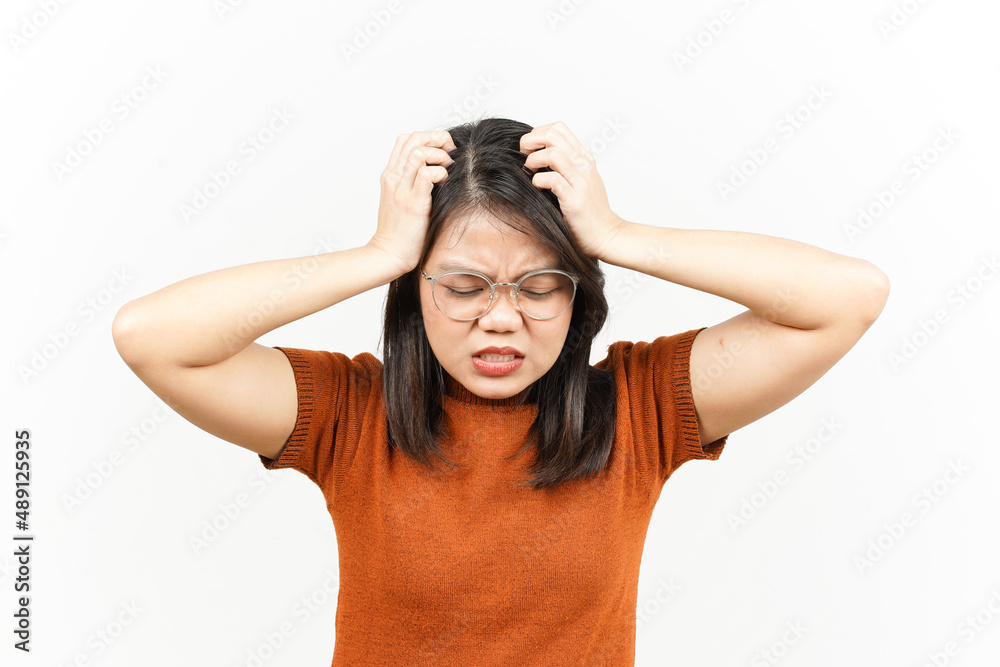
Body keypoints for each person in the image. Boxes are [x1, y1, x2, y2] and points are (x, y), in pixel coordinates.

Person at [112, 117, 890, 665]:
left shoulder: (638, 410)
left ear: (575, 291)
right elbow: (153, 337)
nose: (501, 320)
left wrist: (619, 236)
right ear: (415, 290)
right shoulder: (352, 416)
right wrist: (378, 251)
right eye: (465, 285)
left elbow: (846, 298)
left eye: (538, 285)